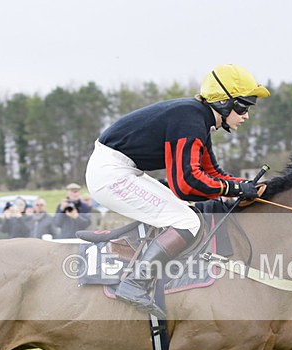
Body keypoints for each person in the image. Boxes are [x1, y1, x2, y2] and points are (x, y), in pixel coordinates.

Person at [84, 64, 269, 317]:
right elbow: (186, 184)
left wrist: (245, 187)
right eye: (243, 106)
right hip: (111, 173)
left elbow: (212, 173)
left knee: (186, 215)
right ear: (224, 103)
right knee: (187, 221)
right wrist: (235, 188)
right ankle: (134, 283)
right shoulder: (190, 120)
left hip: (122, 169)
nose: (246, 115)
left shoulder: (197, 119)